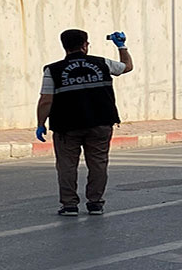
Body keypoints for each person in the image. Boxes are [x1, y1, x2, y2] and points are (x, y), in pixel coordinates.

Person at [36, 29, 134, 217]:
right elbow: (126, 66)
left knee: (67, 166)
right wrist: (121, 46)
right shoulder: (102, 63)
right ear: (84, 45)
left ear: (64, 46)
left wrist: (41, 123)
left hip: (66, 127)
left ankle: (70, 205)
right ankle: (95, 203)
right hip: (101, 123)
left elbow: (46, 100)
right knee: (98, 164)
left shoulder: (52, 70)